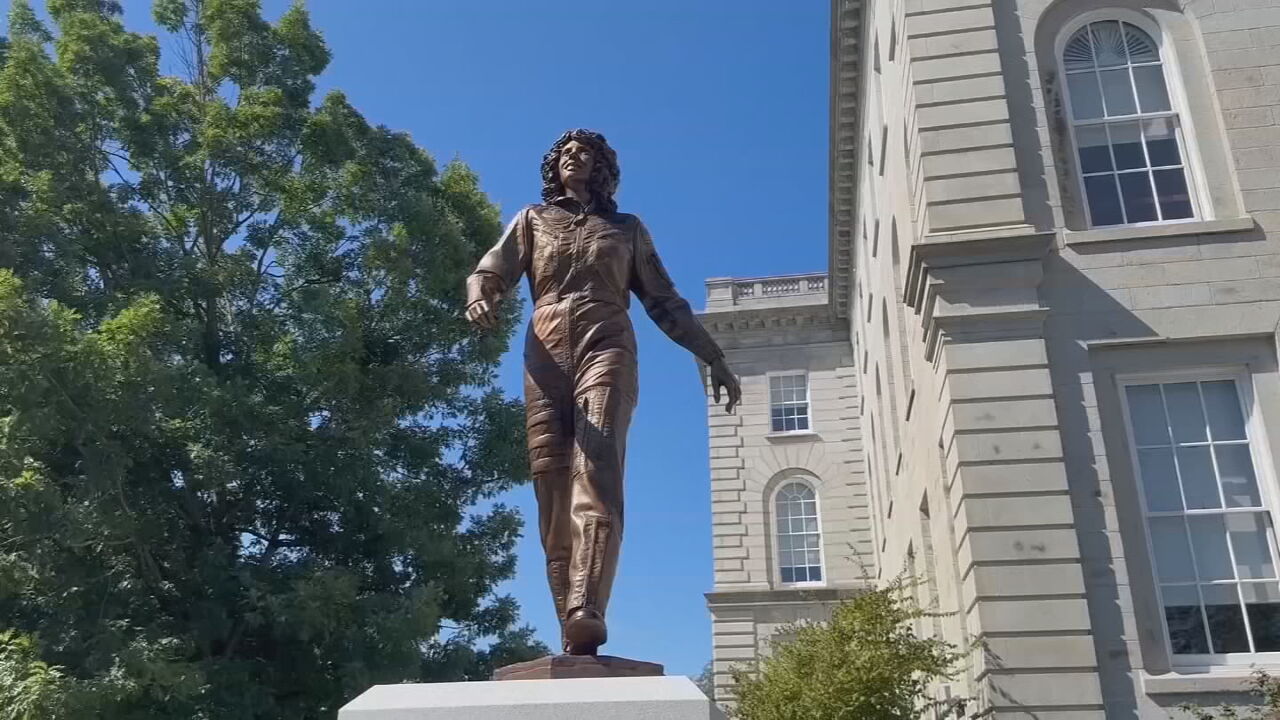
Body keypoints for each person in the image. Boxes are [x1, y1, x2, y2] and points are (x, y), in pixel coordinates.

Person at [465, 129, 741, 655]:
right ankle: (567, 619)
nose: (575, 157)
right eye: (566, 152)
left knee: (595, 469)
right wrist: (482, 294)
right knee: (550, 486)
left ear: (601, 167)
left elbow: (667, 302)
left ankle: (587, 606)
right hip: (544, 353)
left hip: (606, 344)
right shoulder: (531, 220)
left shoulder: (627, 229)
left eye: (585, 153)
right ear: (555, 165)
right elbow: (490, 268)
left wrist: (714, 356)